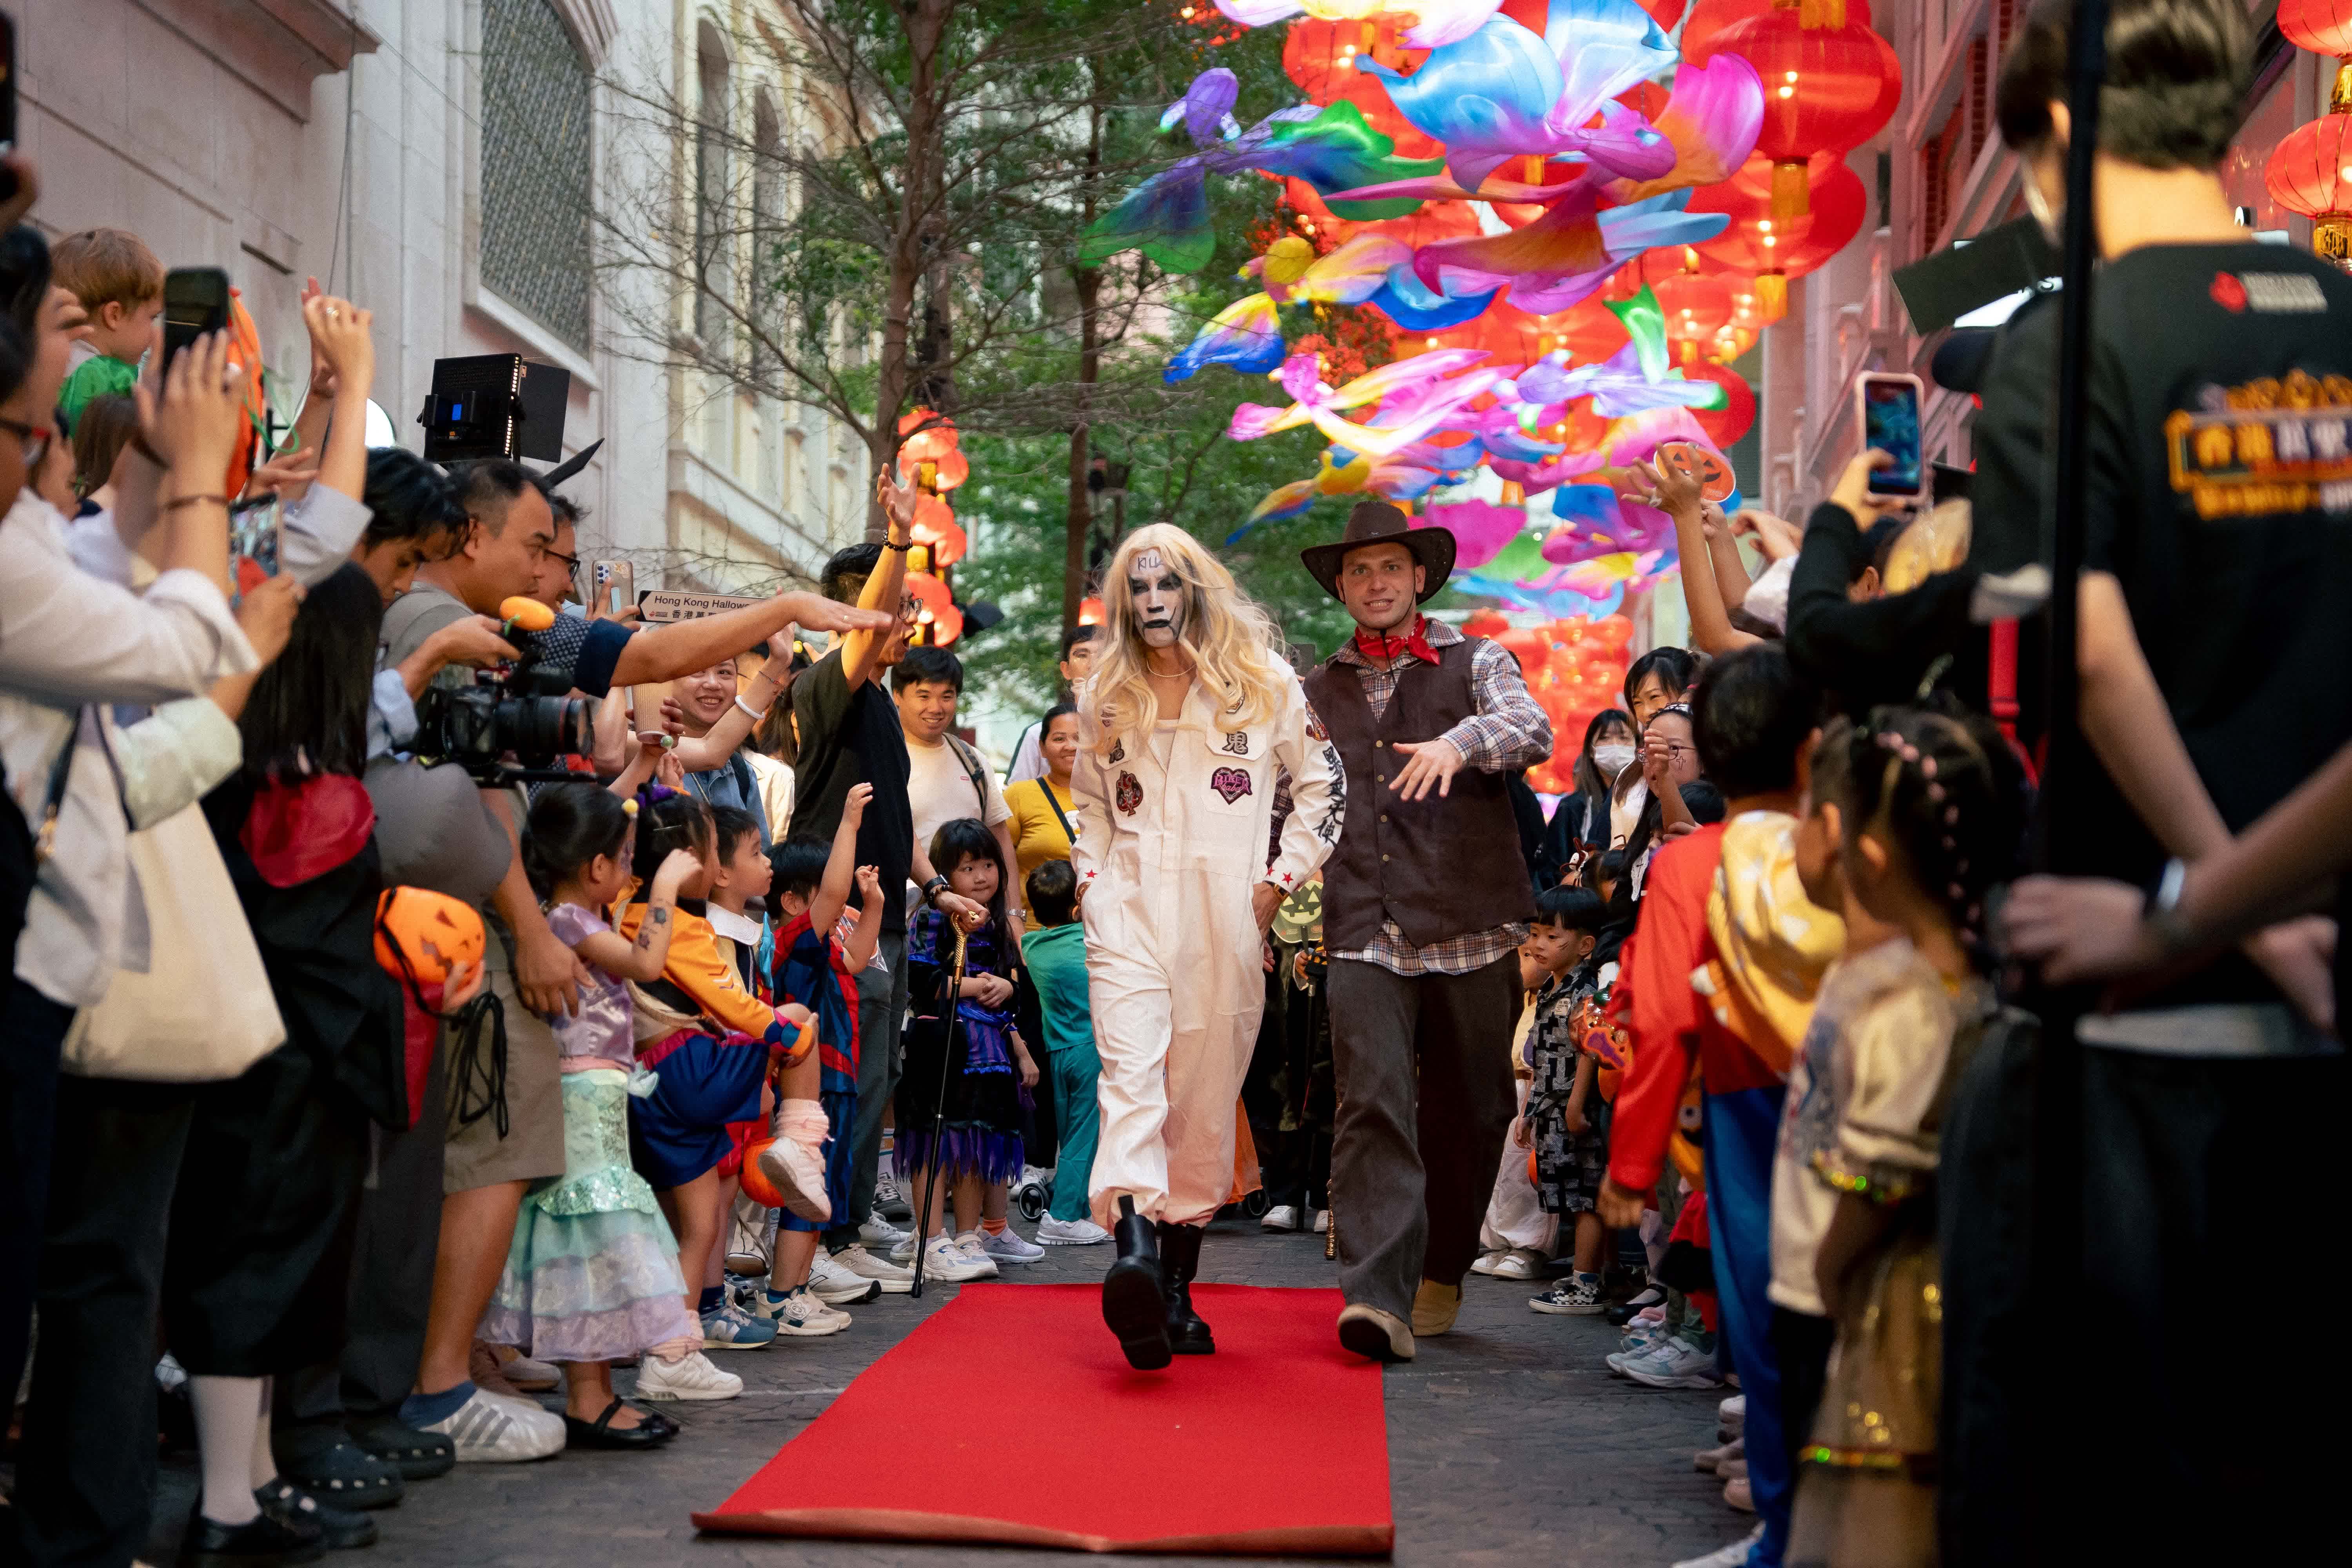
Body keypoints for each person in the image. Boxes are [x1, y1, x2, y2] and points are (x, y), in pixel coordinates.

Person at [0, 307, 261, 1429]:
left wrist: (184, 453)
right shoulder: (17, 564)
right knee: (90, 1275)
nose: (49, 468)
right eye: (33, 438)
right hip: (51, 964)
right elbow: (182, 652)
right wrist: (198, 479)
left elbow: (110, 568)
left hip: (54, 970)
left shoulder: (38, 548)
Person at [159, 564, 408, 1559]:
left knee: (264, 1276)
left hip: (258, 1062)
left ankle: (257, 1479)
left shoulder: (235, 770)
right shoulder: (296, 793)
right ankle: (229, 1505)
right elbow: (321, 954)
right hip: (284, 1074)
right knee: (251, 1276)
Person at [1073, 523, 1341, 1370]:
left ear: (1196, 590)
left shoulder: (1264, 683)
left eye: (1168, 585)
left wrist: (1277, 883)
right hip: (1128, 910)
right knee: (1130, 1074)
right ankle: (1135, 1253)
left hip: (1226, 916)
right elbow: (1089, 805)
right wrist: (1093, 883)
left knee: (1200, 1097)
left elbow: (1325, 786)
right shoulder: (1104, 690)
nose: (1154, 601)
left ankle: (1174, 1291)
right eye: (1138, 587)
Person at [1597, 646, 1840, 1568]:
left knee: (1770, 1318)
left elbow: (1661, 1021)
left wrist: (1632, 1165)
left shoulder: (1692, 863)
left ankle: (1786, 1536)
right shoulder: (1849, 841)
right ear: (1813, 748)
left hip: (1749, 1105)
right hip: (1868, 1094)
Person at [1297, 499, 1552, 1362]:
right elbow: (1288, 796)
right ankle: (1376, 1296)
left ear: (1419, 578)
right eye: (1359, 571)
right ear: (1342, 587)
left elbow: (1532, 728)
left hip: (1470, 925)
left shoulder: (1479, 660)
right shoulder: (1314, 689)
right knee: (1371, 1101)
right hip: (1361, 926)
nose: (1375, 583)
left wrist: (1460, 743)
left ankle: (1444, 1263)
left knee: (1475, 1110)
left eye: (1390, 568)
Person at [1782, 708, 2025, 1568]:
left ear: (1870, 857)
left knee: (1883, 1519)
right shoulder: (1957, 988)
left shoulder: (1910, 1006)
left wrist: (1830, 1267)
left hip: (1892, 1300)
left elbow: (1883, 1176)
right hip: (1928, 1283)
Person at [479, 782, 737, 1421]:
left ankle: (591, 1388)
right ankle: (589, 1395)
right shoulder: (568, 922)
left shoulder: (575, 918)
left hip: (598, 1092)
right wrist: (666, 889)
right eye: (625, 859)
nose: (632, 869)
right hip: (584, 1098)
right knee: (594, 1232)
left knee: (595, 1233)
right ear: (596, 867)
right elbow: (646, 964)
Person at [793, 474, 987, 1292]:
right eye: (896, 607)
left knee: (875, 1080)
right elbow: (867, 623)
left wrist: (938, 889)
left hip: (891, 914)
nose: (909, 620)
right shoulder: (826, 687)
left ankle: (846, 1224)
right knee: (839, 1080)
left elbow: (897, 826)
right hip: (838, 914)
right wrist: (900, 538)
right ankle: (819, 1240)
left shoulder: (878, 704)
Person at [610, 789, 823, 1353]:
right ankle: (800, 1146)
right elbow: (732, 1003)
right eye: (708, 851)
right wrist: (790, 1041)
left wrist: (664, 784)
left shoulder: (625, 908)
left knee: (691, 1225)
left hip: (649, 1080)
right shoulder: (680, 927)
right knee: (803, 1018)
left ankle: (676, 1336)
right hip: (688, 1072)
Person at [758, 789, 890, 1325]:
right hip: (812, 1090)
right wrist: (849, 823)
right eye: (823, 898)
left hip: (838, 1084)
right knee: (805, 1192)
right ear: (794, 902)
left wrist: (874, 903)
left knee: (822, 1192)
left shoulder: (826, 946)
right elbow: (834, 895)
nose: (837, 907)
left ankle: (797, 1287)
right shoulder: (793, 940)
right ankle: (782, 1296)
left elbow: (858, 957)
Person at [897, 818, 1039, 1285]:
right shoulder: (932, 916)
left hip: (988, 1049)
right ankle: (930, 1239)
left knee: (975, 1141)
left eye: (988, 865)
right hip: (942, 1043)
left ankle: (968, 1236)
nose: (981, 877)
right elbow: (921, 980)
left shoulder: (996, 923)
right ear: (943, 874)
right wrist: (978, 986)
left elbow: (1012, 991)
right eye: (967, 868)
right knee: (934, 1141)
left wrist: (1007, 990)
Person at [1519, 886, 1619, 1316]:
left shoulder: (1587, 992)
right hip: (1551, 1107)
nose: (1538, 945)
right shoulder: (1550, 989)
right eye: (1535, 934)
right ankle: (1598, 1273)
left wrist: (1577, 1107)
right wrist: (1529, 1113)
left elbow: (1591, 1052)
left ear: (1585, 945)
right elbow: (1542, 1056)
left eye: (1552, 937)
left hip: (1573, 1108)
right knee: (1572, 1192)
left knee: (1585, 1197)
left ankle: (1587, 1284)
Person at [1020, 858, 1109, 1246]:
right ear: (1077, 909)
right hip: (1090, 1049)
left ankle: (1079, 1208)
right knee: (1084, 1136)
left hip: (1057, 1053)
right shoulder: (1091, 943)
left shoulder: (1033, 946)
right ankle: (1064, 1217)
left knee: (1071, 1135)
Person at [49, 226, 161, 423]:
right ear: (114, 315)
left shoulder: (46, 364)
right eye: (152, 318)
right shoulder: (109, 378)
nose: (155, 333)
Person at [1004, 702, 1082, 924]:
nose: (1071, 746)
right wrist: (1013, 922)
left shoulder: (1110, 797)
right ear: (1042, 748)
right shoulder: (1019, 795)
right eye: (1059, 739)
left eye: (1079, 738)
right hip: (1037, 932)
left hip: (1101, 932)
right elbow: (999, 865)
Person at [1541, 709, 1638, 887]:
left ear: (1637, 747)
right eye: (1604, 739)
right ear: (1592, 751)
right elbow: (1555, 868)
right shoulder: (1573, 808)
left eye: (1624, 738)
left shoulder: (1647, 799)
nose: (1615, 745)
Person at [1005, 623, 1099, 783]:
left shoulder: (1132, 729)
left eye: (1103, 656)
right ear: (1066, 669)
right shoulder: (1038, 733)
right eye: (1082, 655)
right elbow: (1017, 794)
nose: (1093, 665)